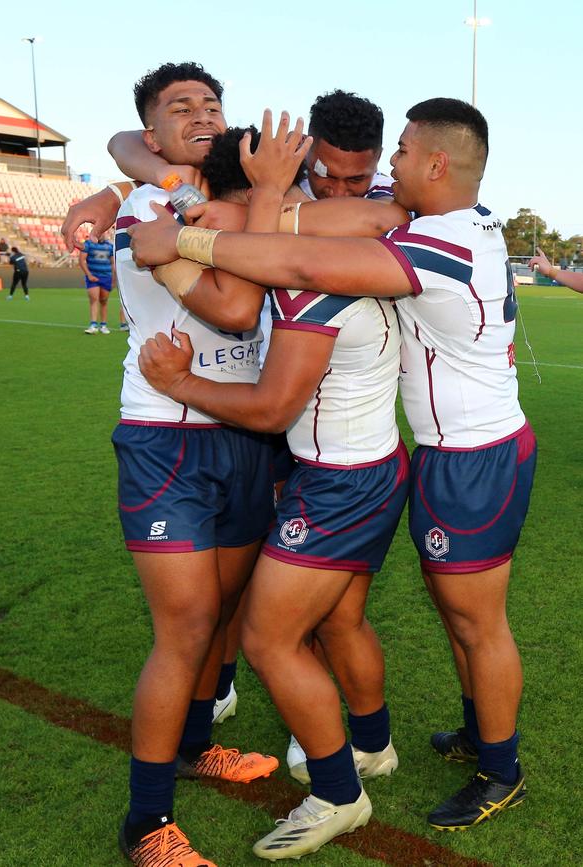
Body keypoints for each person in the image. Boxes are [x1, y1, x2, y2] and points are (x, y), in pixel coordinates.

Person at [130, 98, 537, 834]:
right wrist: (211, 212)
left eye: (404, 154)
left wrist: (184, 242)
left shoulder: (431, 239)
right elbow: (279, 221)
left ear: (437, 164)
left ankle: (499, 769)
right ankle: (459, 735)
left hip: (468, 455)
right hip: (437, 452)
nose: (390, 170)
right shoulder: (430, 221)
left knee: (475, 624)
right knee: (445, 617)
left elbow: (298, 259)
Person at [138, 113, 409, 861]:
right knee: (341, 620)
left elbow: (270, 406)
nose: (341, 188)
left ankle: (338, 793)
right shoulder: (346, 240)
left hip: (339, 481)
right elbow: (144, 158)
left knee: (267, 635)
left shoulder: (311, 280)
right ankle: (373, 745)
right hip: (372, 464)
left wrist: (182, 379)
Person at [111, 63, 279, 867]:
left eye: (211, 102)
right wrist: (165, 188)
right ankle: (146, 825)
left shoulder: (230, 199)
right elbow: (236, 304)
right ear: (153, 136)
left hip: (243, 433)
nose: (201, 113)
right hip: (166, 436)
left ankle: (193, 742)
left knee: (221, 619)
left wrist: (232, 201)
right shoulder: (149, 205)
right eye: (180, 107)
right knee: (183, 628)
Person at [79, 236, 115, 333]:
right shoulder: (88, 244)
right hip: (93, 277)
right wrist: (89, 275)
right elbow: (82, 260)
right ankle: (93, 325)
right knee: (94, 299)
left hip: (106, 276)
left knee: (104, 301)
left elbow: (113, 263)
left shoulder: (110, 246)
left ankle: (103, 325)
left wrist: (113, 279)